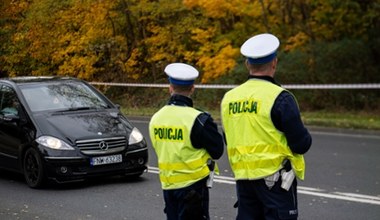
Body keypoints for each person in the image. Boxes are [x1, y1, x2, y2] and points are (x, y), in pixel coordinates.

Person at [220, 33, 312, 220]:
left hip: (244, 180)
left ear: (247, 65)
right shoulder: (281, 97)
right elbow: (301, 144)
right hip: (275, 182)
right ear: (274, 63)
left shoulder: (229, 98)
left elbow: (228, 138)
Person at [149, 63, 224, 220]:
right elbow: (217, 151)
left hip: (168, 186)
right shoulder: (199, 119)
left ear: (170, 88)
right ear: (192, 89)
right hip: (193, 187)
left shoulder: (156, 118)